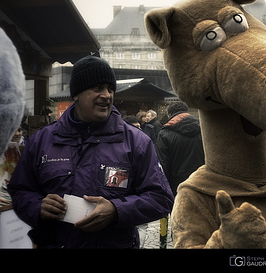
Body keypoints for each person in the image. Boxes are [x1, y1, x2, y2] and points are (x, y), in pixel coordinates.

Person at [8, 55, 174, 248]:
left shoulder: (137, 142)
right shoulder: (41, 141)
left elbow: (161, 198)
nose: (107, 95)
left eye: (110, 89)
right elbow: (20, 191)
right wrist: (37, 206)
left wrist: (116, 210)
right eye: (98, 88)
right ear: (76, 94)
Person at [156, 101, 205, 196]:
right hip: (201, 179)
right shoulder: (203, 128)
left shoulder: (164, 133)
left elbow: (163, 164)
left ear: (169, 114)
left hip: (177, 185)